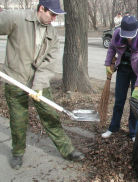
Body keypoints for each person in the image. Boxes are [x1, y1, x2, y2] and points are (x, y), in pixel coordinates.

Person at [0, 0, 85, 170]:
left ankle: (67, 149)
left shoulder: (52, 34)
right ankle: (17, 152)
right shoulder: (16, 18)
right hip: (16, 80)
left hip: (39, 83)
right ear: (41, 9)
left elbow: (50, 62)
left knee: (50, 115)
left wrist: (38, 86)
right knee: (18, 120)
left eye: (56, 15)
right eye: (52, 14)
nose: (54, 18)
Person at [101, 15, 138, 142]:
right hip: (123, 70)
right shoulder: (117, 34)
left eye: (131, 34)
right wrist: (108, 63)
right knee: (119, 101)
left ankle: (133, 132)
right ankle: (113, 127)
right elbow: (111, 49)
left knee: (134, 103)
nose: (129, 37)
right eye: (126, 34)